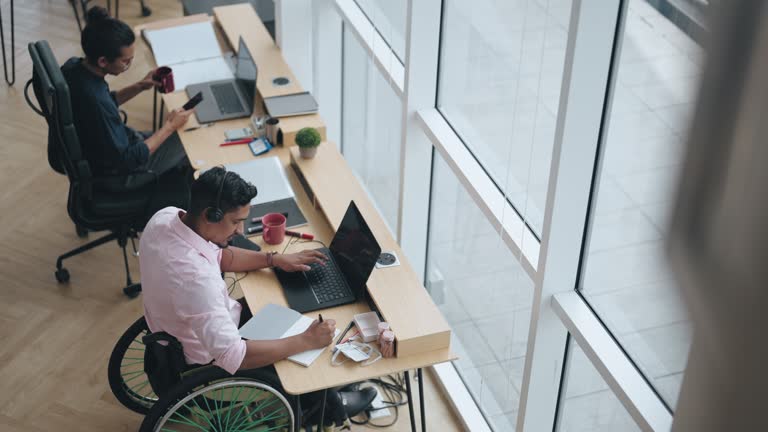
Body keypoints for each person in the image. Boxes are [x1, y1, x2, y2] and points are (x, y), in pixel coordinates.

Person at [140, 167, 376, 428]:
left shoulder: (166, 218)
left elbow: (221, 257)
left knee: (290, 312)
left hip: (182, 332)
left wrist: (274, 260)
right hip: (210, 363)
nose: (241, 231)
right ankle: (332, 408)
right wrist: (305, 340)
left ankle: (326, 392)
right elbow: (235, 356)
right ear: (211, 215)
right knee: (307, 337)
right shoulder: (194, 279)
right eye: (235, 222)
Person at [61, 7, 192, 212]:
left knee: (176, 134)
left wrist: (139, 86)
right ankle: (178, 207)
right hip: (121, 175)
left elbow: (105, 101)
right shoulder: (96, 102)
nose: (129, 65)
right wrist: (168, 126)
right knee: (189, 141)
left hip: (109, 151)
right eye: (125, 61)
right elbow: (129, 160)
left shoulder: (75, 68)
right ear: (103, 61)